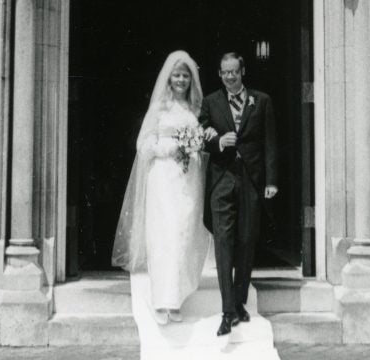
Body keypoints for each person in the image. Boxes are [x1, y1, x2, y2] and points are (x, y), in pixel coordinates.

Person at [112, 50, 211, 325]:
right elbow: (143, 146)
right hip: (163, 179)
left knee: (184, 234)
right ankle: (162, 300)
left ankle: (177, 298)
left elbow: (200, 142)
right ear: (168, 79)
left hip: (188, 179)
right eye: (176, 75)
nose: (180, 80)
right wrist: (170, 147)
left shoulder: (194, 109)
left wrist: (193, 147)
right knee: (164, 236)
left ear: (191, 80)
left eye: (185, 76)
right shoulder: (159, 109)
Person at [200, 52, 278, 336]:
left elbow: (270, 142)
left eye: (234, 71)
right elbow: (198, 137)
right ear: (219, 75)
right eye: (224, 73)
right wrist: (219, 141)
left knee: (247, 240)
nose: (230, 77)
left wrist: (272, 181)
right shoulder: (211, 102)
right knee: (224, 243)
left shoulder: (262, 100)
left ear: (242, 71)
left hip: (252, 181)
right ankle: (227, 310)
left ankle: (240, 300)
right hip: (221, 180)